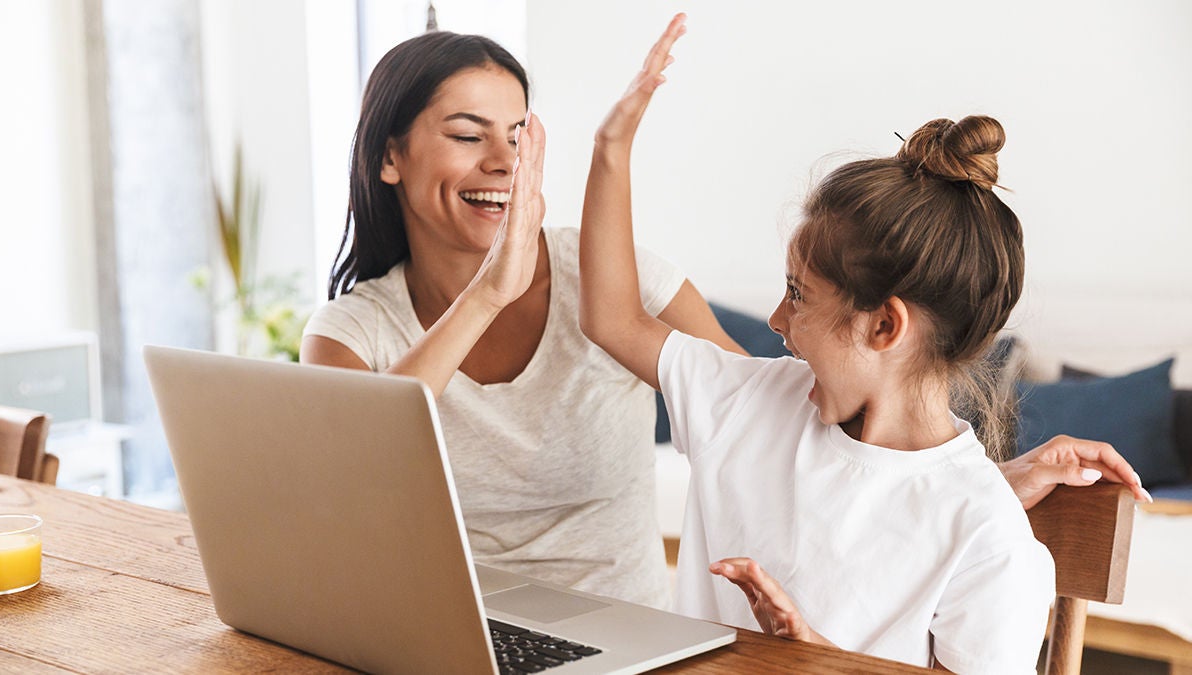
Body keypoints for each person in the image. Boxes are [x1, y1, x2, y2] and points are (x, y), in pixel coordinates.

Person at [301, 27, 1150, 613]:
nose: (502, 160)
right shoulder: (353, 330)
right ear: (389, 155)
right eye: (466, 133)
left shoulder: (640, 304)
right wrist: (493, 288)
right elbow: (345, 490)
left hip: (620, 633)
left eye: (520, 134)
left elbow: (791, 446)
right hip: (447, 638)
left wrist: (973, 491)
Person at [577, 14, 1129, 672]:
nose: (778, 320)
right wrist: (610, 149)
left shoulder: (985, 532)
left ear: (884, 325)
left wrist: (819, 661)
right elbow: (612, 318)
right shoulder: (750, 404)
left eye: (799, 294)